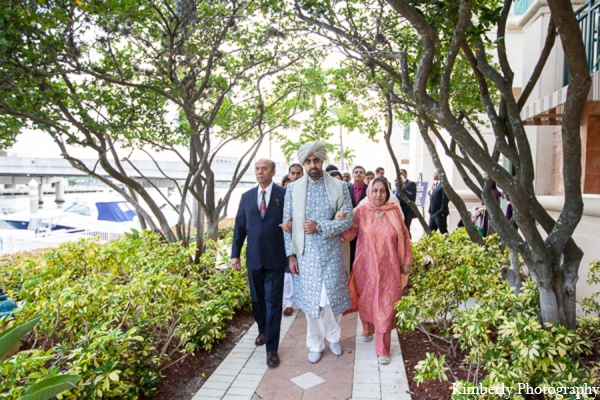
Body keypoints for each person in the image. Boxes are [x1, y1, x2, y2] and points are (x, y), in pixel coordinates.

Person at [282, 141, 353, 364]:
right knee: (312, 303)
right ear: (303, 163)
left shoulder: (339, 187)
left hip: (332, 252)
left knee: (332, 299)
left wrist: (320, 226)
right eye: (308, 161)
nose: (313, 165)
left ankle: (333, 337)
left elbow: (348, 219)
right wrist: (291, 255)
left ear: (322, 160)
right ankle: (314, 343)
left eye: (316, 160)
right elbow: (287, 223)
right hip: (305, 255)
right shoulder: (293, 189)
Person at [341, 177, 413, 364]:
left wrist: (408, 261)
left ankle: (383, 349)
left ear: (387, 192)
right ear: (369, 192)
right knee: (368, 301)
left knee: (386, 306)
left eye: (382, 191)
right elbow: (349, 235)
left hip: (390, 269)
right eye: (375, 191)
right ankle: (367, 328)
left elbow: (404, 235)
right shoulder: (361, 211)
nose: (378, 194)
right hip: (366, 268)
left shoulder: (394, 211)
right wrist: (340, 221)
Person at [231, 159, 287, 368]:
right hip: (253, 258)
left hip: (275, 258)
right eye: (257, 169)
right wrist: (235, 254)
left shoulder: (283, 194)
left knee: (273, 303)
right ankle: (263, 330)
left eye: (264, 168)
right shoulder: (246, 197)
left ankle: (271, 349)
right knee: (257, 301)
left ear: (273, 172)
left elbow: (291, 220)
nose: (260, 172)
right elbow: (239, 227)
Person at [282, 163, 304, 317]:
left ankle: (303, 299)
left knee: (303, 269)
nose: (296, 176)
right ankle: (288, 302)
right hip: (287, 236)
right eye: (293, 173)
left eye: (298, 173)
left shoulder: (308, 191)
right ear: (288, 175)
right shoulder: (283, 193)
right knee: (288, 271)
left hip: (305, 236)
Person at [347, 166, 367, 270]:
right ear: (353, 175)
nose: (358, 174)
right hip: (350, 227)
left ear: (365, 175)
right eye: (356, 172)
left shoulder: (370, 189)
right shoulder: (346, 189)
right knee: (351, 255)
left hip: (365, 227)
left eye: (361, 172)